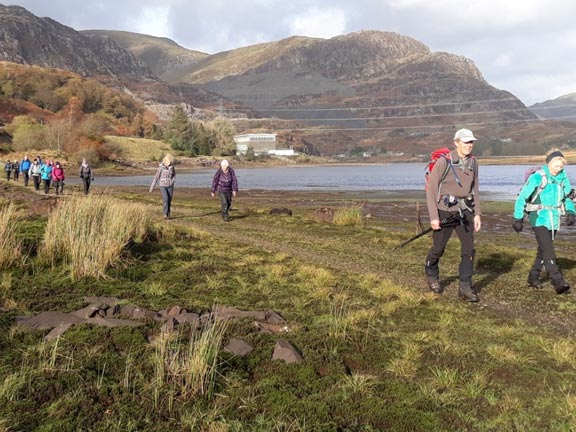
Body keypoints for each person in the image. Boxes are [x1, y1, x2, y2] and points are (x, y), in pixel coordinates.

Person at [425, 128, 482, 302]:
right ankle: (432, 273)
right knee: (439, 248)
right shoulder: (444, 162)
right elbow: (431, 189)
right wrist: (434, 217)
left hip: (466, 211)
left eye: (471, 142)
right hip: (445, 210)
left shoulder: (474, 162)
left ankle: (465, 287)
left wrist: (478, 213)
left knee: (468, 249)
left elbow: (475, 189)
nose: (469, 145)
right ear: (456, 142)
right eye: (465, 142)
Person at [513, 149, 575, 294]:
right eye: (555, 166)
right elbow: (522, 197)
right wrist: (518, 218)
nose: (558, 169)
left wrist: (571, 212)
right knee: (549, 251)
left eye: (561, 167)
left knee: (543, 250)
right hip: (538, 217)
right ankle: (558, 282)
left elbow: (567, 197)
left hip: (554, 220)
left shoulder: (563, 179)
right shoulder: (537, 177)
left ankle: (533, 277)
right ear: (548, 163)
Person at [149, 154, 176, 220]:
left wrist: (172, 182)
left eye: (170, 162)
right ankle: (164, 214)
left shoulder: (172, 167)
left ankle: (168, 213)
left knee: (169, 200)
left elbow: (174, 175)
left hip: (170, 185)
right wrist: (152, 187)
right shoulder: (160, 168)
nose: (169, 163)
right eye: (168, 162)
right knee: (165, 199)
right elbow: (156, 177)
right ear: (165, 161)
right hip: (162, 185)